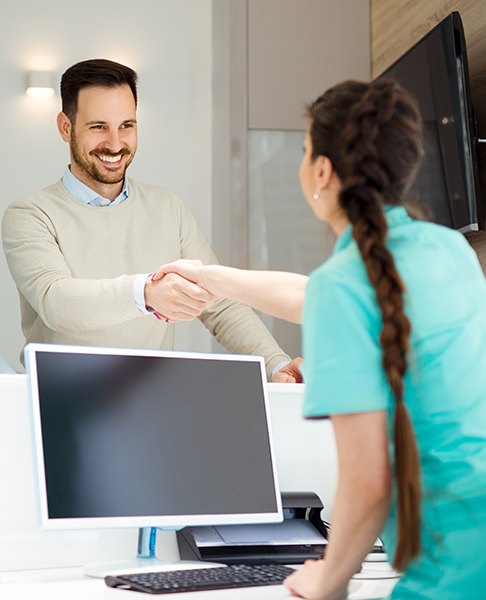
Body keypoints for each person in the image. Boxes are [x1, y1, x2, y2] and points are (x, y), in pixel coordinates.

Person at [153, 79, 486, 598]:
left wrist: (328, 576)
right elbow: (313, 295)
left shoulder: (346, 284)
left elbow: (368, 483)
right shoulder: (450, 250)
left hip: (452, 564)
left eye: (306, 150)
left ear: (323, 172)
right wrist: (211, 276)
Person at [1, 58, 302, 382]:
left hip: (149, 403)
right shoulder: (30, 214)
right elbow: (56, 302)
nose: (115, 144)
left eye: (126, 125)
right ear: (65, 127)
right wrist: (145, 292)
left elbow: (220, 304)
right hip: (58, 404)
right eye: (98, 126)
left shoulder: (169, 208)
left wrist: (275, 363)